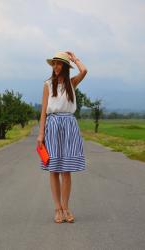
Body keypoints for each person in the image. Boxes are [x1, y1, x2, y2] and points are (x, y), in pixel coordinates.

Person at [36, 51, 88, 223]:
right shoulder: (47, 85)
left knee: (66, 170)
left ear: (65, 67)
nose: (56, 67)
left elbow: (84, 71)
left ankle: (66, 208)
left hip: (69, 126)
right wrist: (41, 133)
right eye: (54, 64)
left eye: (59, 64)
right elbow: (43, 111)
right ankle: (57, 209)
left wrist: (75, 59)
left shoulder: (71, 83)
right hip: (52, 126)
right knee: (54, 169)